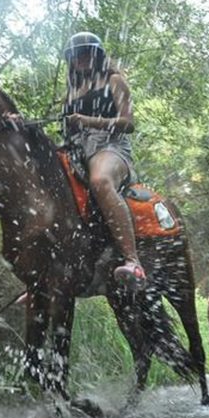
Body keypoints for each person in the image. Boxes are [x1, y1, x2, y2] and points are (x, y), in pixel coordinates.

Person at [60, 31, 145, 289]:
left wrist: (87, 121)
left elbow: (128, 123)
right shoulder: (72, 89)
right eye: (76, 55)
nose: (81, 59)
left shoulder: (114, 80)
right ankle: (46, 275)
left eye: (87, 53)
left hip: (111, 146)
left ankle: (133, 261)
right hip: (77, 150)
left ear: (97, 55)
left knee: (100, 181)